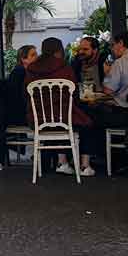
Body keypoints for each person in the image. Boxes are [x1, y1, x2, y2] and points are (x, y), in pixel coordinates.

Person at [24, 38, 97, 177]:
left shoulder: (31, 69)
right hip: (64, 119)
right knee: (88, 118)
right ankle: (84, 165)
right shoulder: (64, 67)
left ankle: (62, 162)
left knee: (57, 114)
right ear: (59, 50)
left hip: (38, 120)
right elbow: (74, 94)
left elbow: (26, 94)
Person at [6, 44, 37, 126]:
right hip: (20, 115)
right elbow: (19, 98)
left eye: (36, 54)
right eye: (33, 55)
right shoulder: (19, 72)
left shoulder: (27, 71)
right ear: (23, 59)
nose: (37, 57)